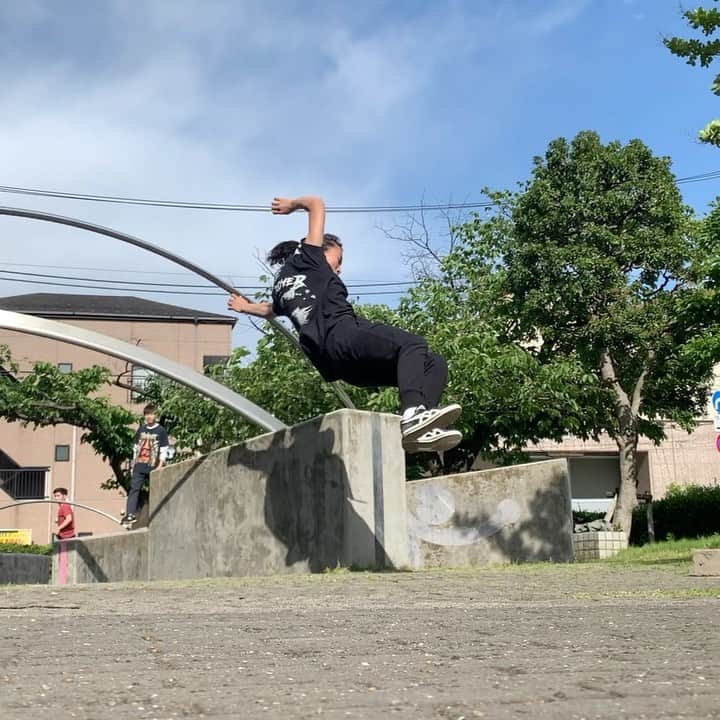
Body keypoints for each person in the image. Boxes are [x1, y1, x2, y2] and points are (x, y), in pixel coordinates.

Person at [227, 195, 462, 453]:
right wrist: (293, 205)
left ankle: (418, 428)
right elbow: (316, 203)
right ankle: (412, 414)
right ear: (320, 250)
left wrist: (244, 306)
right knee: (412, 344)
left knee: (433, 363)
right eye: (338, 261)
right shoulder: (310, 257)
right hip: (343, 336)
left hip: (341, 367)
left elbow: (270, 310)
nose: (338, 270)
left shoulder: (282, 285)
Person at [123, 404, 169, 525]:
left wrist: (160, 465)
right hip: (139, 465)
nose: (149, 416)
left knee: (156, 490)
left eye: (151, 414)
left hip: (153, 466)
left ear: (156, 416)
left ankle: (161, 513)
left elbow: (164, 449)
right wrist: (133, 465)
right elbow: (135, 448)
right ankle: (130, 514)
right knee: (134, 489)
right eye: (147, 414)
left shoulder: (161, 431)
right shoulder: (141, 429)